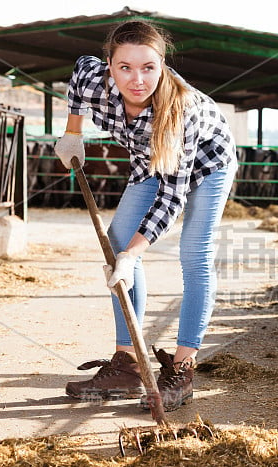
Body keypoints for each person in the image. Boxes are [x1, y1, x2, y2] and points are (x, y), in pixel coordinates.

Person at [54, 18, 237, 411]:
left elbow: (171, 199)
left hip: (208, 163)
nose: (137, 80)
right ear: (110, 64)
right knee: (117, 241)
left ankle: (183, 369)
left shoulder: (179, 110)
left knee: (194, 254)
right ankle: (128, 364)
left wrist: (134, 255)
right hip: (148, 161)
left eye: (148, 67)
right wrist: (74, 132)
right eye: (125, 67)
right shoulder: (92, 77)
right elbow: (75, 78)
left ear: (162, 65)